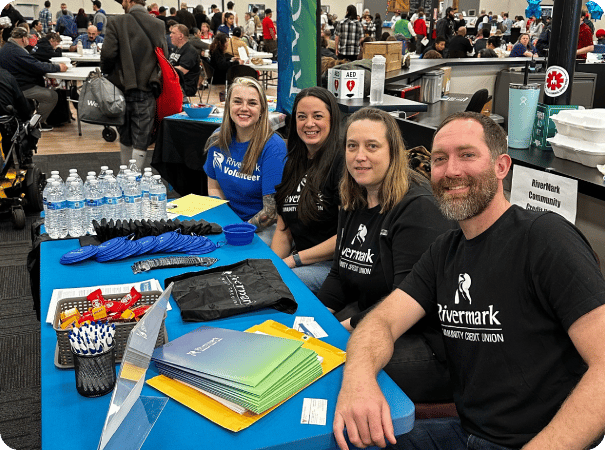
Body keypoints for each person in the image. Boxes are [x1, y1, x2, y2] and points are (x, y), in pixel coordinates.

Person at [332, 110, 605, 450]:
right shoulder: (444, 251)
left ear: (501, 166)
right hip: (466, 434)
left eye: (467, 155)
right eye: (440, 159)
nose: (451, 171)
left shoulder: (544, 237)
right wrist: (359, 382)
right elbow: (382, 322)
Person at [316, 106, 455, 403]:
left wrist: (341, 331)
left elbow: (405, 299)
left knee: (330, 368)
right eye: (352, 146)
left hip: (423, 339)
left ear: (394, 153)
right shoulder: (355, 199)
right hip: (371, 320)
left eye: (372, 146)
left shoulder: (417, 208)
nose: (359, 156)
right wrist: (318, 318)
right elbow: (339, 274)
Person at [272, 87, 342, 293]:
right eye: (302, 117)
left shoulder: (342, 163)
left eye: (317, 116)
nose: (309, 123)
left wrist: (293, 261)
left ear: (332, 119)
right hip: (300, 260)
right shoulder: (293, 163)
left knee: (280, 286)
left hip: (333, 266)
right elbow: (283, 231)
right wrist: (274, 265)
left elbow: (346, 235)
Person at [203, 77, 287, 244]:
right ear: (228, 106)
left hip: (264, 228)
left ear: (262, 109)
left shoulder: (273, 148)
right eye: (237, 101)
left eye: (252, 103)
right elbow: (214, 188)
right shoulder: (218, 139)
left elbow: (270, 213)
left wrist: (239, 230)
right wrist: (226, 222)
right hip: (229, 223)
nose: (244, 108)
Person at [101, 0, 168, 167]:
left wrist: (109, 73)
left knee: (124, 133)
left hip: (120, 89)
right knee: (141, 136)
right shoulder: (158, 24)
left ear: (128, 1)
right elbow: (164, 57)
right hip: (147, 88)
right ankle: (135, 177)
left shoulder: (116, 22)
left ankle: (125, 175)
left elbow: (108, 55)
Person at [0, 27, 67, 132]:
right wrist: (58, 67)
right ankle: (36, 124)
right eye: (27, 38)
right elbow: (36, 65)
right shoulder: (16, 51)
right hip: (20, 87)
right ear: (23, 39)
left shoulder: (8, 48)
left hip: (11, 85)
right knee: (51, 96)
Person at [168, 24, 201, 98]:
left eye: (173, 33)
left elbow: (182, 70)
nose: (170, 35)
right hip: (175, 82)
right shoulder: (176, 49)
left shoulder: (190, 51)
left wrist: (165, 69)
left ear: (181, 36)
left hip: (186, 86)